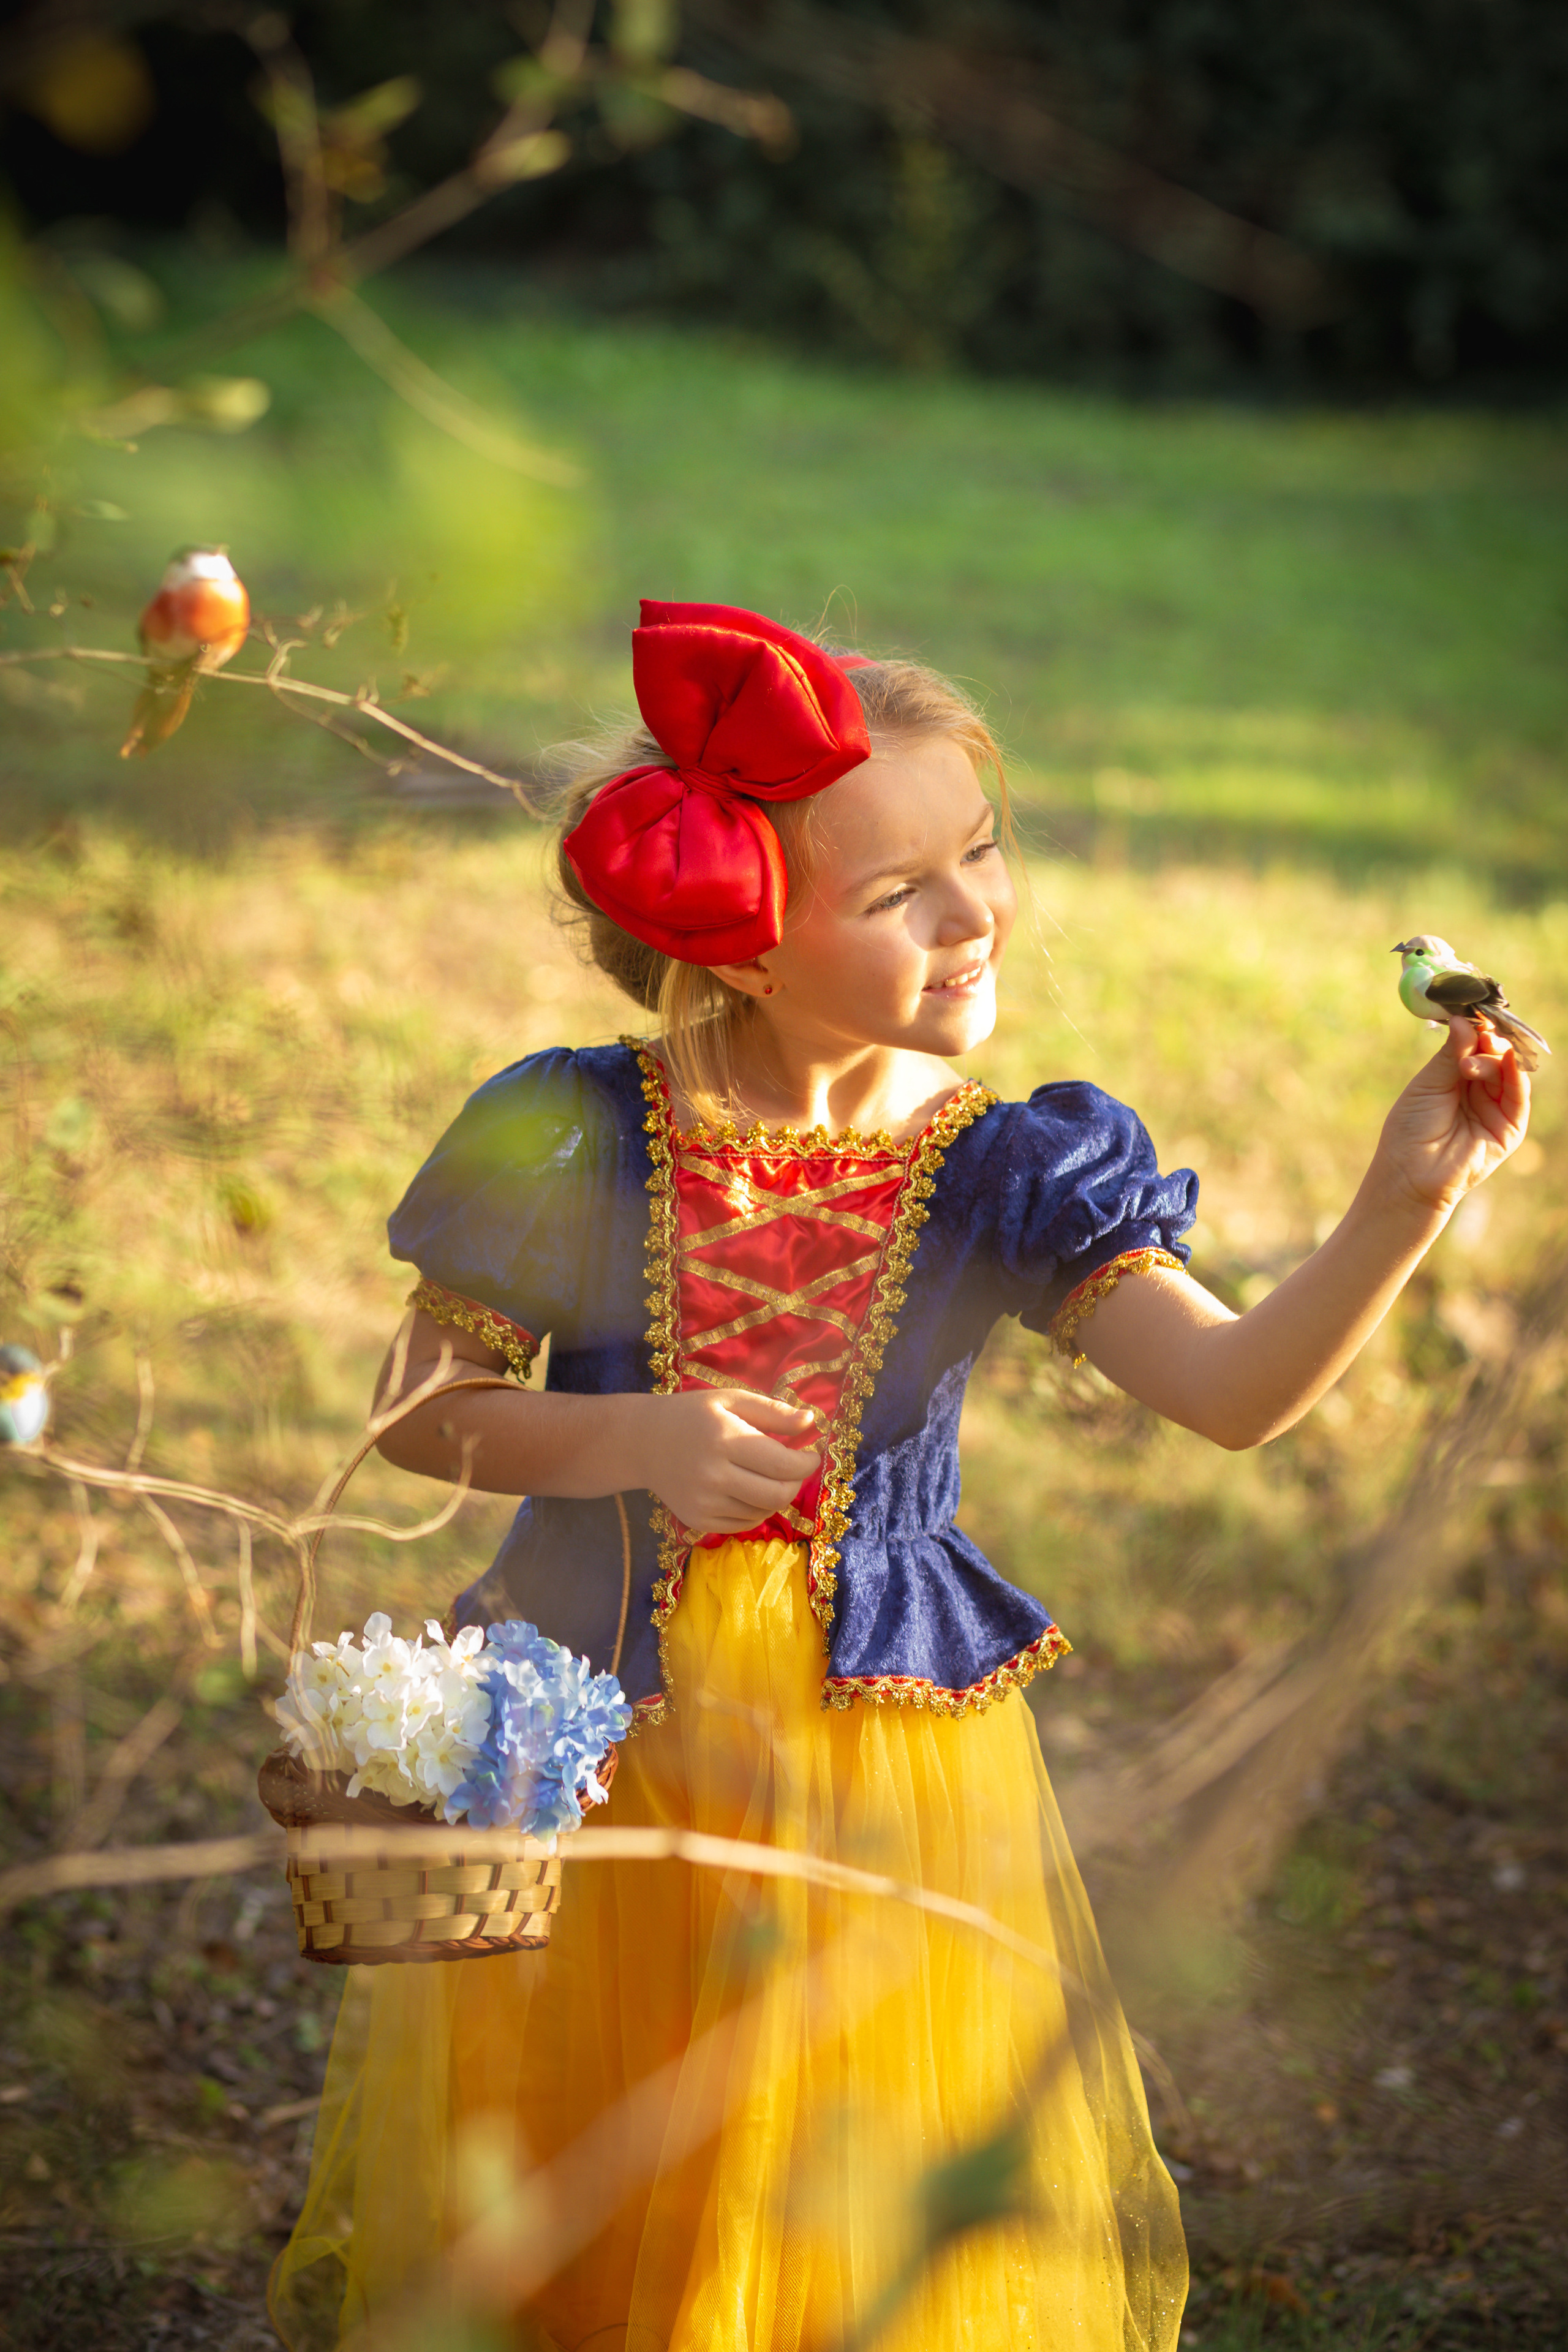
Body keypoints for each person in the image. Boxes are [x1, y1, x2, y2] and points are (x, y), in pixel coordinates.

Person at [270, 602, 1529, 2352]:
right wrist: (626, 1437)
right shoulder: (573, 1130)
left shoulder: (1008, 1173)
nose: (976, 915)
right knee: (603, 2159)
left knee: (830, 2166)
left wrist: (1411, 1197)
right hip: (600, 1744)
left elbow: (1235, 1394)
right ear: (743, 940)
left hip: (874, 1762)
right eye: (898, 894)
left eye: (985, 852)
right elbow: (418, 1411)